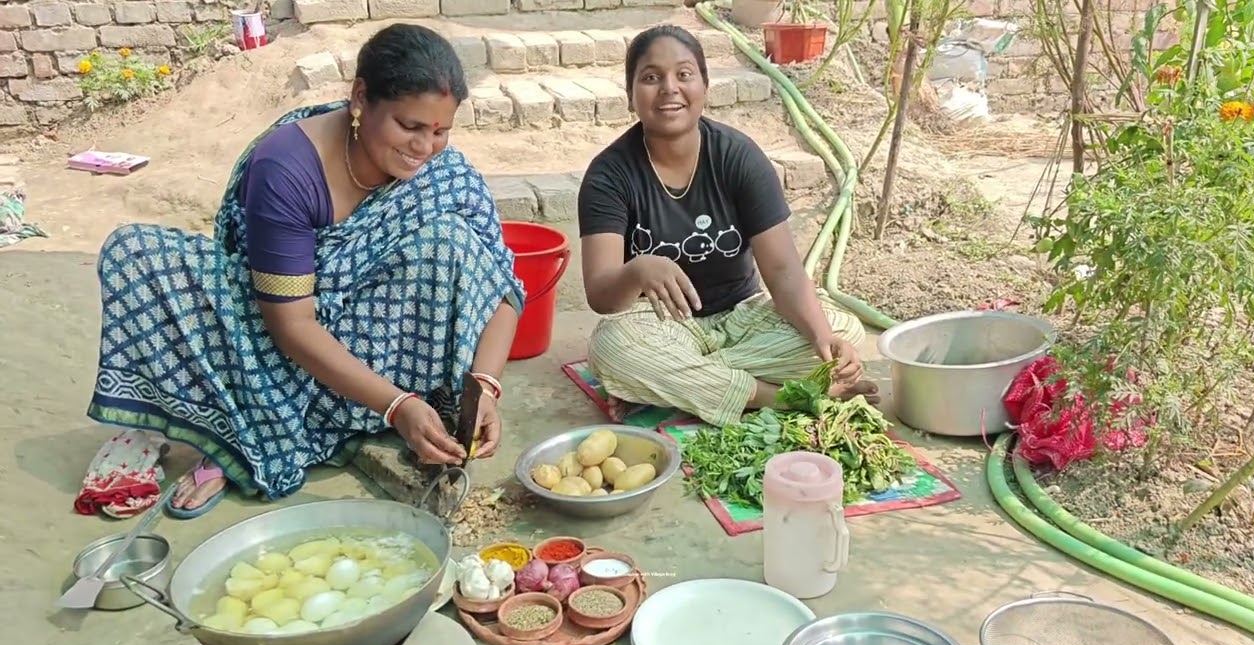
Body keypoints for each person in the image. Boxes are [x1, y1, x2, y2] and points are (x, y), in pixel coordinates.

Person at [83, 24, 525, 519]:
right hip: (275, 337)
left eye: (440, 131)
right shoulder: (288, 167)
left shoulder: (444, 175)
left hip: (374, 339)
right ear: (360, 97)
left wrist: (483, 387)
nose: (425, 147)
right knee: (136, 255)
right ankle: (259, 422)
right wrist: (397, 407)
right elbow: (292, 325)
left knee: (453, 243)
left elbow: (502, 285)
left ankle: (361, 409)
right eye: (409, 126)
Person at [578, 25, 879, 428]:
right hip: (661, 325)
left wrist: (824, 337)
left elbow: (784, 271)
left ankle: (672, 386)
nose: (669, 88)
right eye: (651, 77)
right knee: (613, 348)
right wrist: (638, 270)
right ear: (631, 93)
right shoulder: (609, 175)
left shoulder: (738, 156)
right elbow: (602, 296)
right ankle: (783, 398)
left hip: (744, 318)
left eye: (684, 74)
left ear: (704, 84)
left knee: (844, 329)